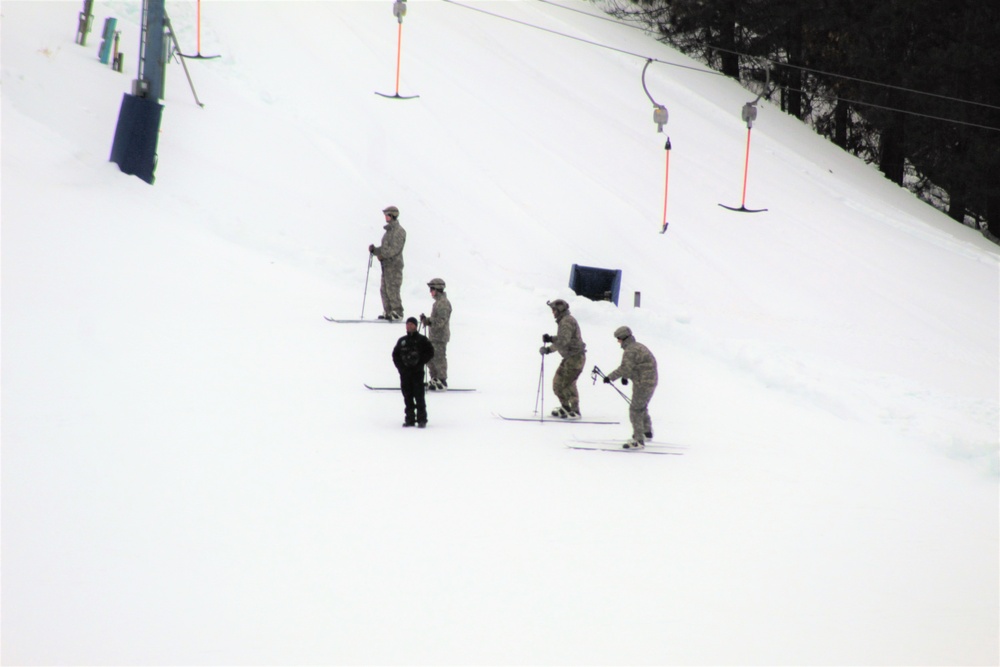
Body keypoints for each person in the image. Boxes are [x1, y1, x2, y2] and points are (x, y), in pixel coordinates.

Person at [604, 326, 658, 449]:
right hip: (649, 380)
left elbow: (625, 368)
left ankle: (638, 440)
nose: (618, 341)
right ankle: (647, 432)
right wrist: (626, 377)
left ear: (624, 338)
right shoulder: (638, 346)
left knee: (635, 410)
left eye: (618, 339)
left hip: (643, 382)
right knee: (641, 406)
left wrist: (610, 377)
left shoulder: (630, 351)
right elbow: (636, 365)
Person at [539, 299, 586, 420]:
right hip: (569, 358)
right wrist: (551, 338)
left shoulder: (566, 322)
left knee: (568, 384)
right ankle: (565, 407)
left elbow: (563, 342)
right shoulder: (563, 321)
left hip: (575, 357)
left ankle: (575, 410)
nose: (552, 312)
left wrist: (549, 349)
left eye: (554, 310)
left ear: (559, 310)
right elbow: (563, 338)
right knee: (557, 383)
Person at [392, 317, 435, 427]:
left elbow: (430, 352)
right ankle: (409, 419)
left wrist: (420, 362)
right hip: (405, 374)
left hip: (417, 373)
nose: (409, 326)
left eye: (411, 324)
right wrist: (401, 368)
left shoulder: (422, 340)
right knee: (407, 397)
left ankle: (422, 419)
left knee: (419, 396)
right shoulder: (402, 341)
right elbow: (395, 355)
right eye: (407, 324)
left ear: (416, 326)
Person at [368, 205, 406, 320]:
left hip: (394, 266)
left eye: (387, 215)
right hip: (386, 266)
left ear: (393, 216)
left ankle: (397, 312)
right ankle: (389, 311)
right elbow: (385, 249)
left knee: (392, 288)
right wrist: (375, 250)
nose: (385, 217)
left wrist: (382, 255)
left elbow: (395, 249)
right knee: (384, 289)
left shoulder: (399, 231)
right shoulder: (388, 232)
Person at [420, 278, 452, 391]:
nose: (430, 292)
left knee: (439, 358)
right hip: (434, 336)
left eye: (431, 289)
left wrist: (429, 321)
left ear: (437, 289)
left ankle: (442, 380)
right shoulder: (438, 303)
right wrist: (427, 320)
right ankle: (435, 379)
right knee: (430, 358)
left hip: (440, 337)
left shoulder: (443, 303)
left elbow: (441, 321)